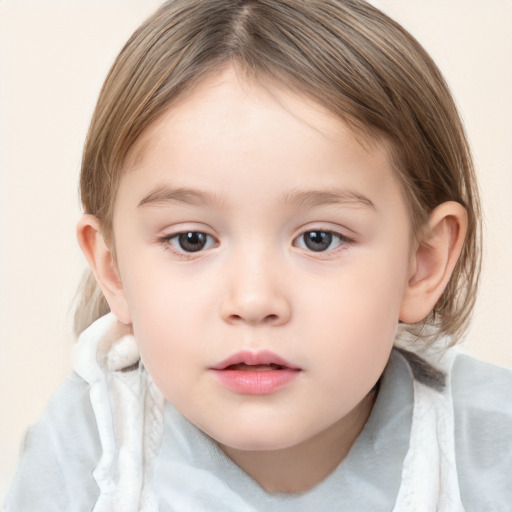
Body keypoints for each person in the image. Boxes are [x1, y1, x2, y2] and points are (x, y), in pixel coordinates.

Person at [4, 0, 512, 510]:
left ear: (421, 262)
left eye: (319, 238)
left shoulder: (494, 449)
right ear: (114, 270)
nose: (252, 299)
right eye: (191, 240)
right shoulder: (86, 453)